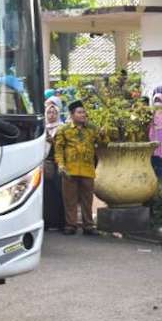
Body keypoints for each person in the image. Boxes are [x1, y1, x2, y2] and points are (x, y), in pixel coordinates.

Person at [53, 100, 108, 236]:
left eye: (84, 112)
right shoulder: (64, 130)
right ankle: (70, 225)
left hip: (87, 169)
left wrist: (102, 134)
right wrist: (60, 164)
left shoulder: (92, 128)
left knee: (87, 200)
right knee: (69, 200)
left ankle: (88, 226)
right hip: (69, 169)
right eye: (80, 112)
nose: (83, 115)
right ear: (72, 115)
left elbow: (104, 144)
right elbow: (58, 150)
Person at [41, 97, 67, 230]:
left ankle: (60, 223)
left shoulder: (62, 128)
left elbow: (66, 147)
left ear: (58, 114)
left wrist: (53, 142)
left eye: (54, 113)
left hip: (58, 164)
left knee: (59, 193)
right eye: (49, 113)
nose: (51, 115)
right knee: (46, 194)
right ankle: (47, 222)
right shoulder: (42, 128)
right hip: (44, 164)